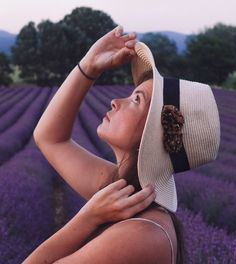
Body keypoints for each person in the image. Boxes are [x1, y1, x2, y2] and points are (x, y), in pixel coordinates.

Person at [23, 25, 220, 264]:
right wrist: (89, 65)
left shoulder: (142, 235)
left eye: (136, 100)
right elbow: (50, 138)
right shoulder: (123, 190)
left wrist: (87, 218)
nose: (115, 101)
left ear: (156, 134)